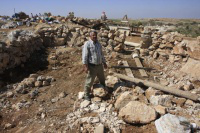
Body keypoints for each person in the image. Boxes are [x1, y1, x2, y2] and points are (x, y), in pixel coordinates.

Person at [82, 30, 107, 101]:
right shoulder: (87, 44)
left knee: (102, 79)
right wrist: (85, 65)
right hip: (92, 66)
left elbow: (101, 54)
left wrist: (104, 63)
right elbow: (85, 55)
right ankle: (86, 94)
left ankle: (103, 90)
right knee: (89, 81)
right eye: (93, 35)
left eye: (95, 35)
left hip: (99, 66)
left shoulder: (98, 44)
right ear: (90, 36)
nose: (94, 36)